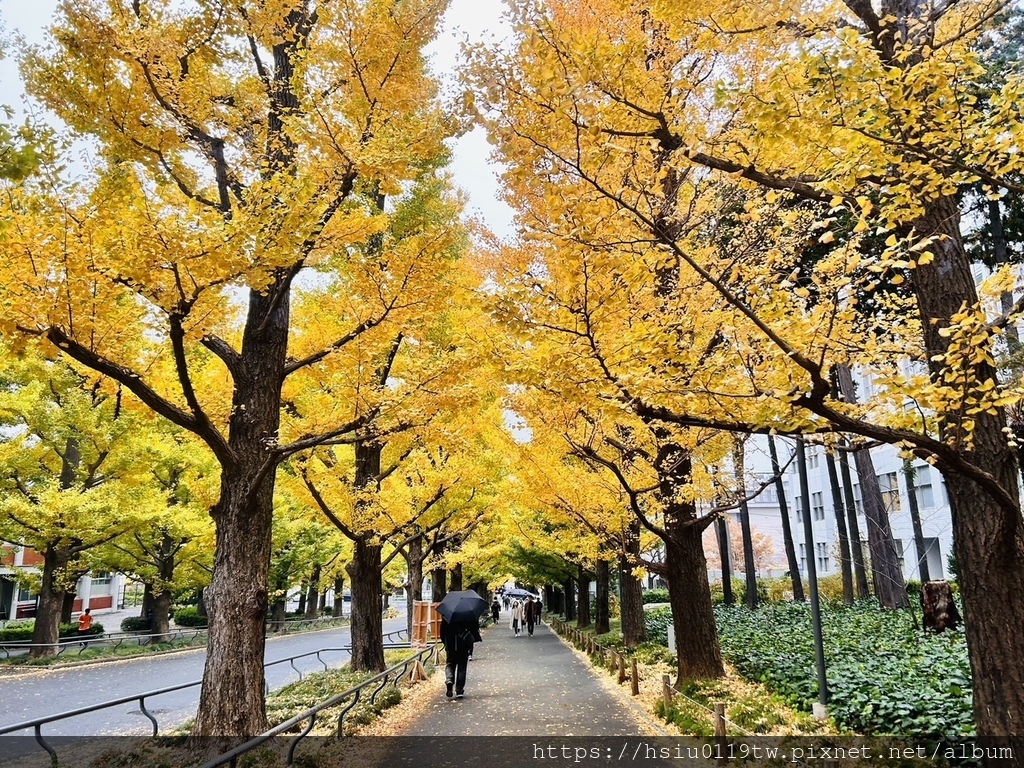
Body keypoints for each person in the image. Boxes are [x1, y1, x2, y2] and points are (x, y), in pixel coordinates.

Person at [440, 615, 482, 700]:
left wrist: (445, 643)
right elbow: (475, 627)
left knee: (450, 664)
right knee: (462, 666)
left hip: (450, 644)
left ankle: (449, 679)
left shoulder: (447, 615)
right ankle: (459, 690)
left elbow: (442, 632)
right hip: (463, 643)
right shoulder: (467, 615)